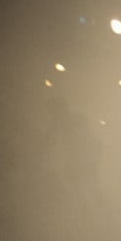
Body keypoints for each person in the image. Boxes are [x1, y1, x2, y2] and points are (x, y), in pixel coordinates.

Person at [45, 96, 107, 227]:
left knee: (91, 188)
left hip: (84, 159)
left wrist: (93, 155)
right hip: (75, 160)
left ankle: (102, 216)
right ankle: (91, 218)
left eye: (55, 109)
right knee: (82, 190)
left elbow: (90, 137)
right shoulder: (58, 123)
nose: (55, 113)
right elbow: (50, 142)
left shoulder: (74, 119)